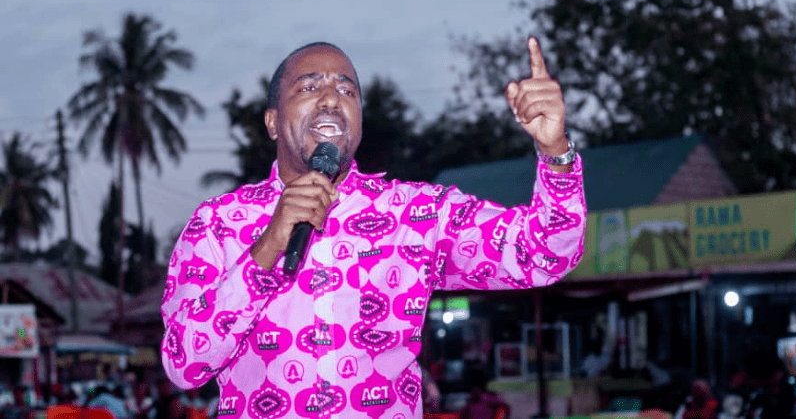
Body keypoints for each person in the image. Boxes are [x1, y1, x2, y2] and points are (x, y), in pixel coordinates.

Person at [161, 37, 587, 418]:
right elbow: (183, 365)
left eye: (347, 90)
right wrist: (268, 246)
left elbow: (545, 253)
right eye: (309, 87)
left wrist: (555, 151)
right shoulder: (218, 224)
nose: (331, 99)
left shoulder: (417, 215)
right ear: (273, 121)